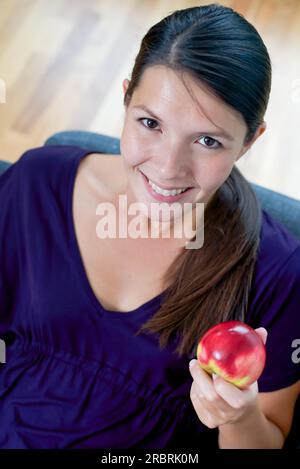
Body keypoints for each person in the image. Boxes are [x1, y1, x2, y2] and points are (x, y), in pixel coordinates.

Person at [0, 3, 299, 449]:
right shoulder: (35, 183)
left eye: (207, 140)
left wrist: (239, 416)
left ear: (249, 141)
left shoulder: (278, 272)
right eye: (150, 123)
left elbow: (268, 439)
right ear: (125, 98)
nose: (167, 167)